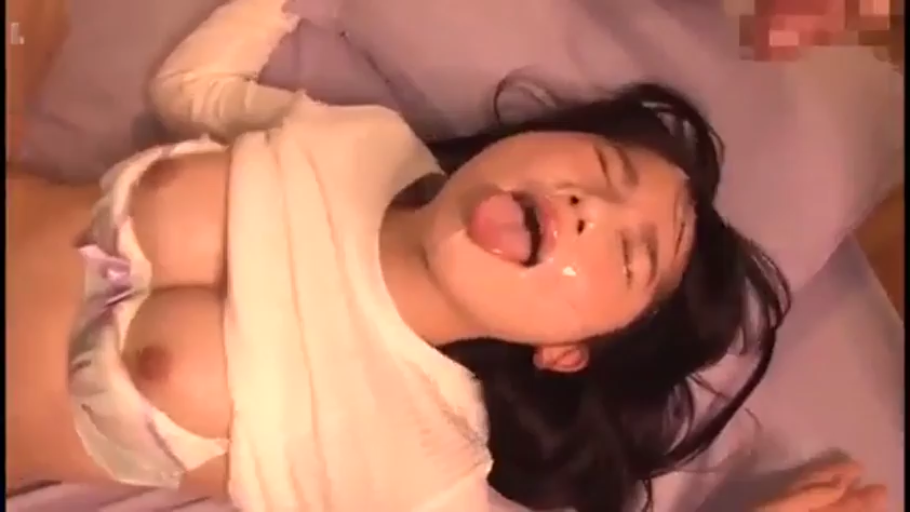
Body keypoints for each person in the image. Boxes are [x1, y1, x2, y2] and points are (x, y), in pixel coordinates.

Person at [1, 0, 884, 511]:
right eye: (603, 168)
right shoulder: (367, 143)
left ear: (567, 353)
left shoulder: (424, 458)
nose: (589, 208)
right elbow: (194, 90)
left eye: (629, 254)